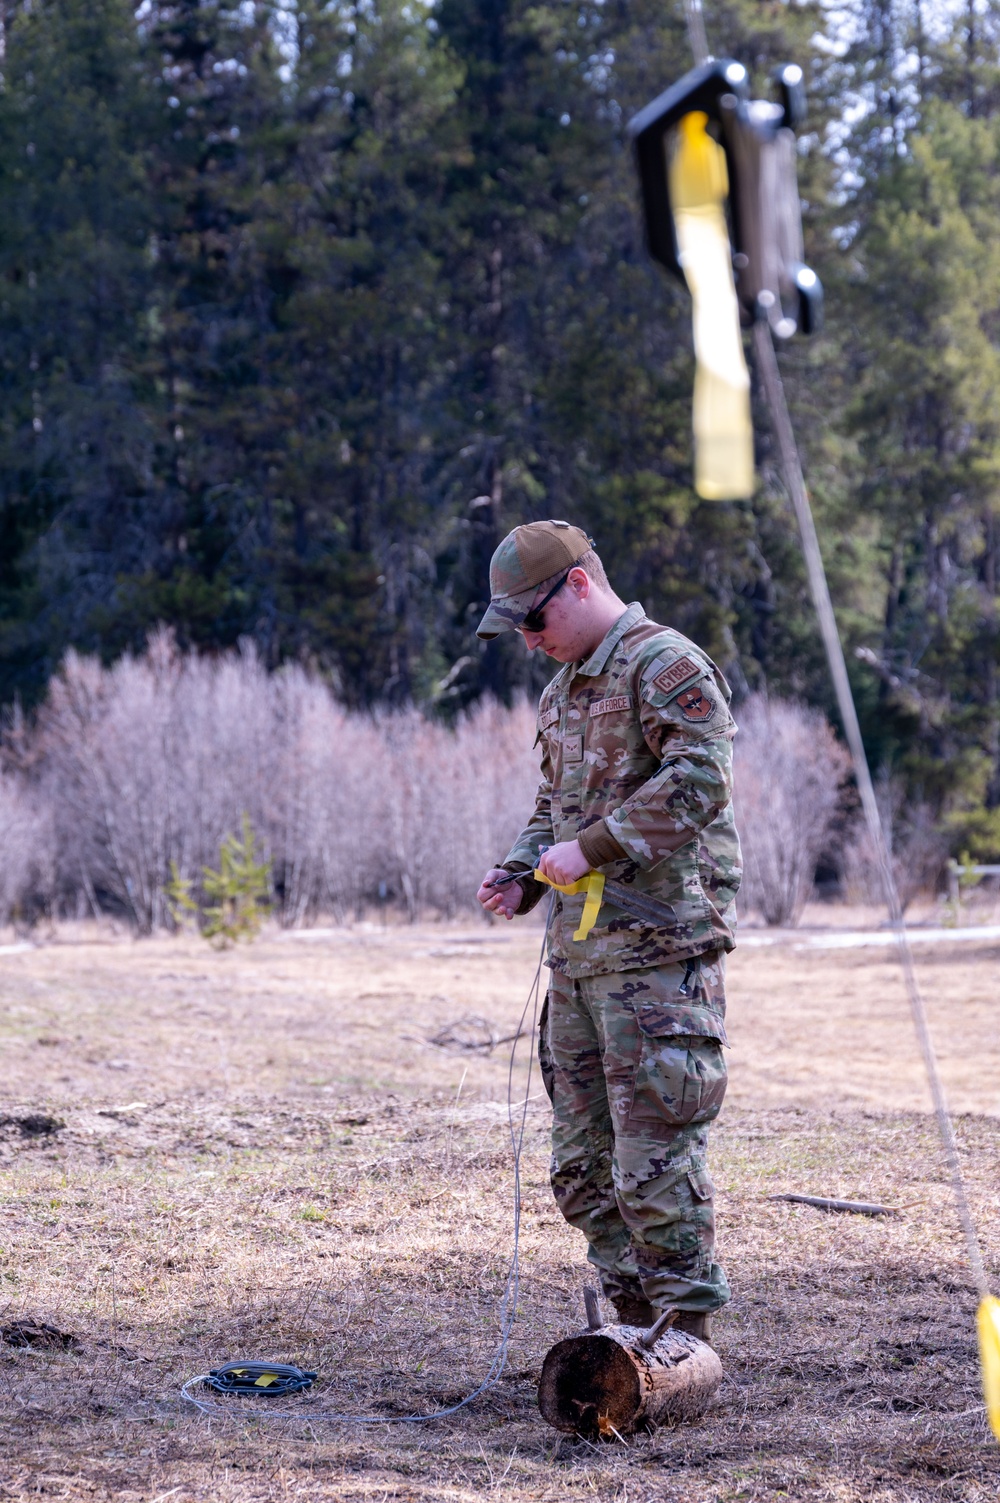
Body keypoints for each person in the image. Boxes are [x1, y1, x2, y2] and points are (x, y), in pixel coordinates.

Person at [475, 520, 741, 1341]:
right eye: (516, 627)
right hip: (581, 962)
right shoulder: (561, 693)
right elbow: (553, 809)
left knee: (653, 1170)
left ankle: (685, 1343)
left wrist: (588, 849)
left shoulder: (665, 665)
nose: (528, 640)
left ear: (579, 586)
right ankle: (633, 1338)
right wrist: (521, 873)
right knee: (582, 1172)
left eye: (533, 620)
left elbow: (701, 780)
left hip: (658, 958)